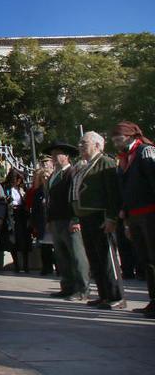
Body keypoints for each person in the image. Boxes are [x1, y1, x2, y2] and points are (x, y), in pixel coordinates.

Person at [72, 131, 125, 310]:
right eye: (80, 143)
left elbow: (113, 194)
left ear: (97, 145)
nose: (80, 146)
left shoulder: (106, 163)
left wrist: (111, 218)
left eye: (84, 143)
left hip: (101, 217)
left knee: (107, 259)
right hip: (86, 218)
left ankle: (116, 296)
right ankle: (104, 295)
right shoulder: (85, 165)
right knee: (95, 259)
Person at [111, 121, 155, 318]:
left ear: (130, 136)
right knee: (145, 260)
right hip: (134, 215)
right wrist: (124, 210)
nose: (116, 143)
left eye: (118, 139)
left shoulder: (145, 152)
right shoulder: (124, 157)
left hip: (149, 213)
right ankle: (153, 301)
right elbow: (125, 189)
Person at [45, 141, 90, 301]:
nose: (54, 157)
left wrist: (76, 218)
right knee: (62, 256)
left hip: (69, 220)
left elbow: (76, 197)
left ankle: (82, 288)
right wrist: (49, 220)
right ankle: (67, 286)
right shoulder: (53, 176)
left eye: (58, 154)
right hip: (56, 221)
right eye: (53, 154)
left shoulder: (72, 172)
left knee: (76, 255)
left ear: (67, 156)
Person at [27, 168, 56, 275]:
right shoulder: (38, 192)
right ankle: (46, 268)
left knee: (57, 247)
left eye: (47, 176)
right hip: (42, 223)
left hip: (53, 222)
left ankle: (59, 268)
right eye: (43, 177)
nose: (45, 178)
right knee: (44, 247)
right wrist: (34, 223)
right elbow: (34, 209)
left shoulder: (54, 189)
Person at [4, 169, 31, 273]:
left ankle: (26, 265)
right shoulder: (6, 187)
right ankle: (16, 265)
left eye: (20, 179)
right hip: (11, 215)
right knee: (13, 240)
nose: (18, 181)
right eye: (16, 179)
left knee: (24, 240)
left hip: (22, 215)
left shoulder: (23, 188)